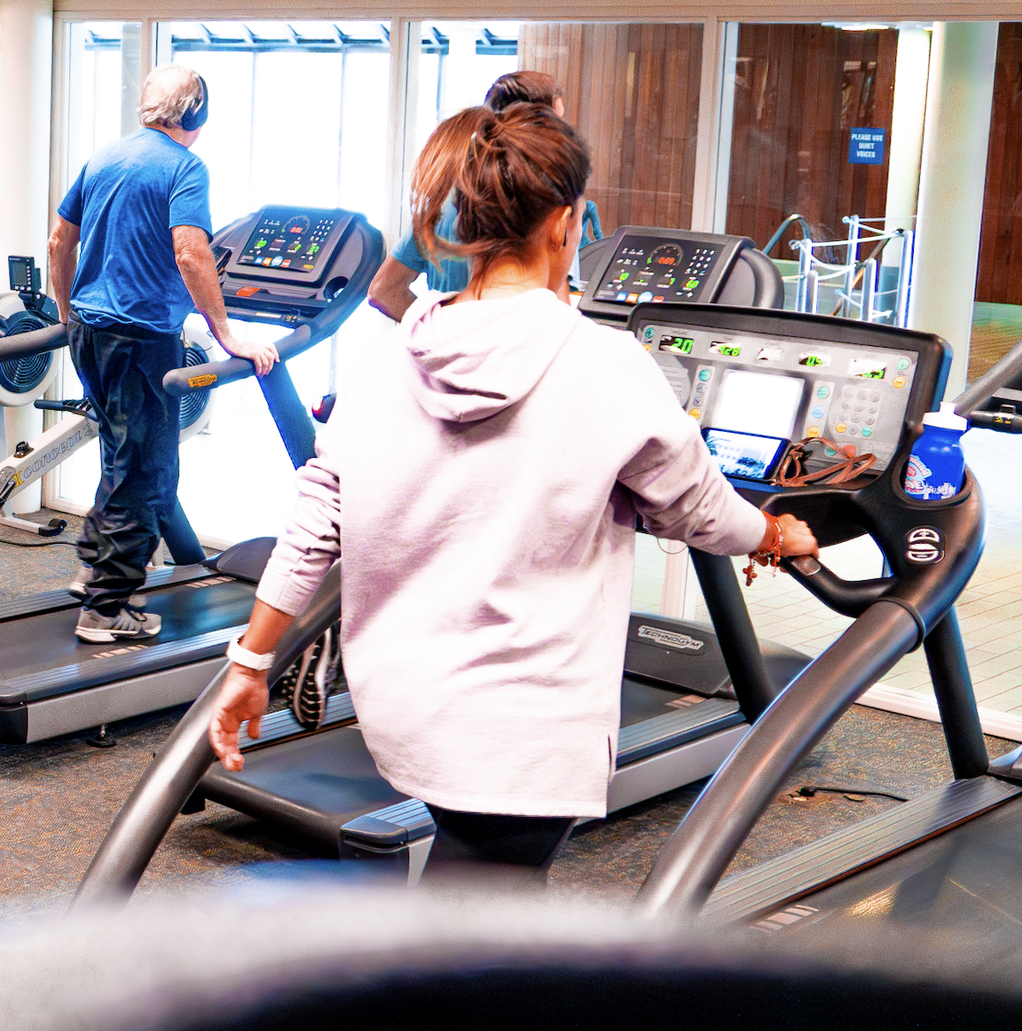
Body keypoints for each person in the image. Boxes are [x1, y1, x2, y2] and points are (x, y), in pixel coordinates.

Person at [209, 102, 820, 877]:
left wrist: (250, 662)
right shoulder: (607, 364)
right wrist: (775, 534)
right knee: (482, 915)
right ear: (566, 224)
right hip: (525, 727)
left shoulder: (398, 352)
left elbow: (317, 513)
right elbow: (699, 507)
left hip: (405, 703)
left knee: (475, 897)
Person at [48, 64, 279, 644]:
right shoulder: (184, 167)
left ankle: (93, 568)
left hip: (91, 333)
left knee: (120, 453)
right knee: (149, 468)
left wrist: (65, 311)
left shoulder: (103, 158)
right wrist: (227, 335)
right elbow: (191, 253)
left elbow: (59, 239)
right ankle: (105, 608)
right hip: (141, 336)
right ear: (195, 113)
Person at [369, 69, 564, 323]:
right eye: (557, 125)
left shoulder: (443, 204)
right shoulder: (544, 214)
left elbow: (384, 291)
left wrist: (438, 331)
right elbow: (559, 313)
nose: (563, 137)